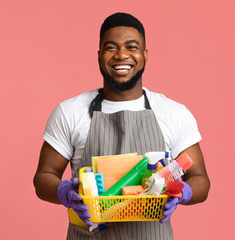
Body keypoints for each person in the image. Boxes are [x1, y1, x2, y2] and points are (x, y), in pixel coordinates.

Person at [33, 12, 210, 240]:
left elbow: (200, 179)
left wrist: (183, 192)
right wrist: (64, 191)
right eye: (111, 47)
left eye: (132, 47)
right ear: (99, 56)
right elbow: (43, 176)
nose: (122, 55)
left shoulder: (174, 113)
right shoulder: (70, 112)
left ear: (145, 55)